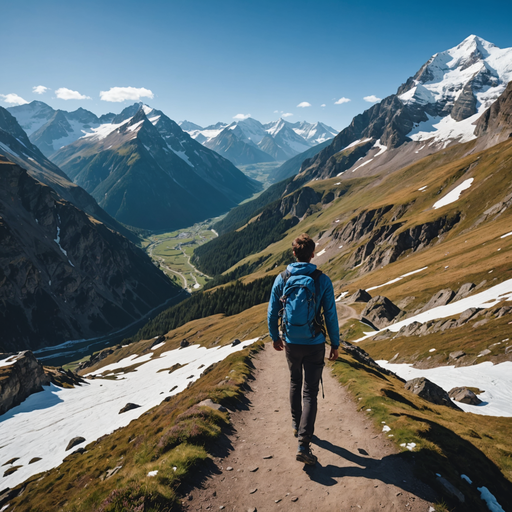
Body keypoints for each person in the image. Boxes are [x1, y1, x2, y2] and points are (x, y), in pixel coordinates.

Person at [267, 233, 340, 466]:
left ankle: (296, 425)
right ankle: (303, 443)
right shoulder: (321, 280)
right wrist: (335, 344)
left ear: (293, 253)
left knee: (294, 383)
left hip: (291, 341)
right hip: (315, 342)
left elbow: (271, 311)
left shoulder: (282, 277)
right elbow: (330, 315)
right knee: (310, 392)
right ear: (312, 255)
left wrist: (274, 336)